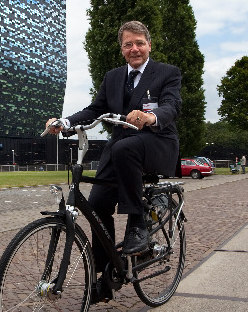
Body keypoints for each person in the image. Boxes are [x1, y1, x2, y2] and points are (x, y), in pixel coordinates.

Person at [45, 21, 182, 293]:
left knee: (122, 148)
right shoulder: (113, 77)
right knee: (97, 205)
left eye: (139, 43)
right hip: (122, 148)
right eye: (128, 44)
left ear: (149, 45)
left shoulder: (167, 73)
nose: (134, 49)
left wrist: (150, 117)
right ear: (122, 49)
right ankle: (107, 276)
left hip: (157, 142)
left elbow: (171, 106)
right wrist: (65, 121)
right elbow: (95, 109)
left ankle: (137, 225)